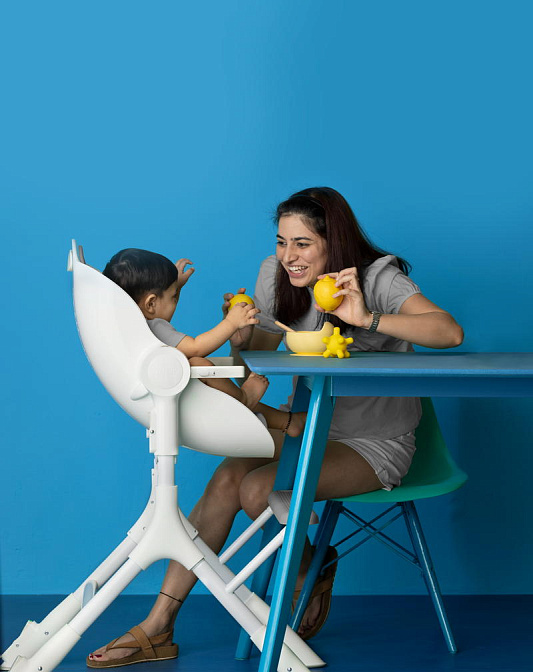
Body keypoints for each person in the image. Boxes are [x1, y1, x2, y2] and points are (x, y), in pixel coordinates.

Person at [88, 188, 463, 667]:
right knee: (226, 480)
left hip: (372, 442)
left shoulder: (374, 279)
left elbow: (449, 332)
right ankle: (159, 625)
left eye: (302, 244)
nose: (289, 256)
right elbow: (255, 363)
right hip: (303, 425)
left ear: (334, 241)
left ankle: (308, 567)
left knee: (258, 490)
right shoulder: (275, 276)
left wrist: (366, 318)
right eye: (282, 242)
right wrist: (241, 338)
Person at [102, 248, 306, 437]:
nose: (175, 301)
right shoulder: (154, 327)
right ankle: (244, 399)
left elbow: (160, 309)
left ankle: (286, 422)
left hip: (159, 396)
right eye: (173, 297)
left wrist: (175, 286)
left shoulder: (132, 329)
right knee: (198, 363)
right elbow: (196, 347)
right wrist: (231, 323)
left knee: (199, 369)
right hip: (175, 401)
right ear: (151, 303)